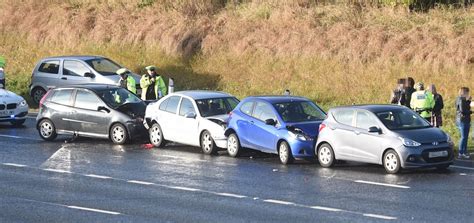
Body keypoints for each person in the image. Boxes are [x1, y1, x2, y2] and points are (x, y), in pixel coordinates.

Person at [456, 87, 472, 159]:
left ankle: (464, 152)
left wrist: (468, 101)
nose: (468, 94)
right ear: (464, 92)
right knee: (463, 137)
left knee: (465, 137)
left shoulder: (461, 99)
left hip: (464, 119)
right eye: (467, 92)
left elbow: (464, 107)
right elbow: (463, 110)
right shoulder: (461, 99)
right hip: (463, 120)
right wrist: (471, 112)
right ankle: (461, 152)